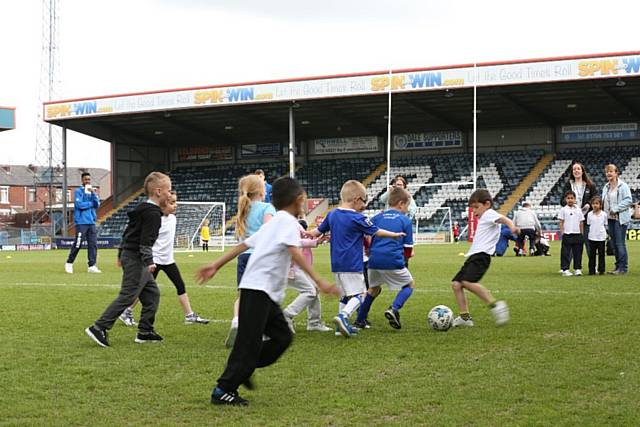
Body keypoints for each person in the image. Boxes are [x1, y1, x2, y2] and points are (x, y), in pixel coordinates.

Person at [196, 177, 340, 406]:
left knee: (283, 337)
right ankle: (223, 389)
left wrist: (216, 264)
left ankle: (246, 367)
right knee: (248, 343)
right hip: (257, 289)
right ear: (298, 199)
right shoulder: (285, 222)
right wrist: (319, 281)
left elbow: (244, 245)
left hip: (265, 293)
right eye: (303, 198)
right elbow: (293, 251)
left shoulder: (277, 221)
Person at [85, 172, 172, 347]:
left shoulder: (142, 209)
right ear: (158, 191)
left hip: (131, 255)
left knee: (152, 294)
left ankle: (145, 331)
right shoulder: (153, 214)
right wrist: (149, 261)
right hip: (136, 258)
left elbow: (127, 234)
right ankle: (99, 327)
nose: (170, 194)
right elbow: (145, 242)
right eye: (168, 191)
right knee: (128, 295)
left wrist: (120, 254)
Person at [309, 180, 405, 338]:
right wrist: (394, 234)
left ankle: (340, 329)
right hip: (352, 263)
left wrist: (302, 232)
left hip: (336, 263)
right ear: (356, 199)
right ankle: (343, 316)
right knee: (360, 295)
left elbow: (316, 232)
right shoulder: (357, 218)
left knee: (344, 295)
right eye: (365, 200)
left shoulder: (332, 214)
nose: (365, 205)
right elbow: (377, 231)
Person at [119, 191, 209, 327]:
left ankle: (189, 315)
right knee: (142, 288)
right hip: (154, 261)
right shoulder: (156, 220)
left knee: (180, 285)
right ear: (162, 205)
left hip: (168, 260)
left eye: (176, 202)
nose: (176, 205)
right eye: (172, 203)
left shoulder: (173, 218)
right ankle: (127, 311)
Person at [450, 189, 518, 328]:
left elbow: (504, 219)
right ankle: (465, 318)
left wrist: (512, 226)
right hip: (474, 256)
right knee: (456, 284)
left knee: (467, 282)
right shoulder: (485, 216)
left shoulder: (488, 213)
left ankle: (495, 305)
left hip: (482, 256)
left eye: (476, 207)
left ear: (487, 204)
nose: (474, 212)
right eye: (472, 208)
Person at [226, 174, 276, 348]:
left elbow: (241, 235)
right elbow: (268, 229)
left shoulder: (243, 209)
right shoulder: (267, 207)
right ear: (263, 191)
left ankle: (236, 321)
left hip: (243, 255)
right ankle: (261, 331)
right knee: (262, 295)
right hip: (260, 256)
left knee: (243, 294)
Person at [355, 187, 415, 330]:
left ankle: (360, 320)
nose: (407, 209)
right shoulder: (405, 220)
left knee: (373, 290)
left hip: (374, 260)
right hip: (392, 259)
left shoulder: (376, 217)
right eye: (407, 205)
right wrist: (406, 259)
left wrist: (369, 251)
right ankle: (394, 308)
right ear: (401, 204)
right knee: (409, 285)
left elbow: (367, 236)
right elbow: (408, 248)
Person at [282, 219, 332, 333]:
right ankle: (287, 315)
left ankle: (314, 323)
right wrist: (315, 241)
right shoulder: (289, 223)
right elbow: (295, 242)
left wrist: (316, 239)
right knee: (310, 291)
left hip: (293, 267)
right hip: (290, 268)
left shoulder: (292, 223)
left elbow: (301, 239)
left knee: (314, 290)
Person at [65, 172, 101, 274]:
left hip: (91, 221)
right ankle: (69, 262)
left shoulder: (92, 192)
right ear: (82, 180)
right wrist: (90, 203)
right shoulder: (78, 191)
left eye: (89, 179)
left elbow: (97, 204)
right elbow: (79, 205)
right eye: (86, 179)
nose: (88, 181)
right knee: (78, 243)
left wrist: (93, 194)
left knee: (93, 244)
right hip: (81, 222)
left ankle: (92, 265)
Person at [602, 163, 632, 275]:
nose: (609, 173)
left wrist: (616, 209)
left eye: (611, 171)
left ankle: (623, 267)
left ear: (616, 173)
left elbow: (628, 200)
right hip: (609, 219)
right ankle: (617, 266)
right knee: (613, 243)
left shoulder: (623, 186)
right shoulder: (606, 187)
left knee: (620, 243)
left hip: (620, 219)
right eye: (607, 171)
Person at [561, 162, 596, 252]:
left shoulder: (590, 185)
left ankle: (592, 266)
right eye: (574, 169)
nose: (576, 171)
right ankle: (567, 266)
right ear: (572, 172)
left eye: (578, 169)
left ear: (582, 171)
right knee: (571, 245)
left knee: (589, 243)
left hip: (587, 218)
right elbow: (562, 200)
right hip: (572, 219)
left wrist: (589, 204)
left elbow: (596, 198)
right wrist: (570, 203)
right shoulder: (568, 185)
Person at [558, 190, 584, 277]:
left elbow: (581, 222)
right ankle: (565, 269)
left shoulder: (578, 209)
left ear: (575, 199)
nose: (570, 200)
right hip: (567, 233)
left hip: (577, 234)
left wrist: (581, 233)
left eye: (572, 198)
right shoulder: (563, 209)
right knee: (565, 253)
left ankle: (578, 269)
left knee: (578, 253)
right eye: (568, 198)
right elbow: (561, 222)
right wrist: (562, 232)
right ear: (565, 199)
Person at [586, 196, 607, 275]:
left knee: (601, 255)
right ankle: (591, 270)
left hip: (601, 237)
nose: (595, 205)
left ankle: (601, 270)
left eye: (597, 203)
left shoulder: (604, 214)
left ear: (600, 205)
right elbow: (589, 224)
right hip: (592, 237)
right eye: (593, 204)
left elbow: (605, 224)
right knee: (592, 255)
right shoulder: (589, 214)